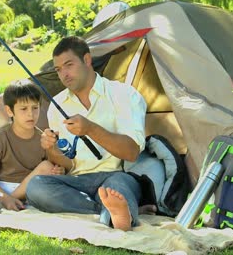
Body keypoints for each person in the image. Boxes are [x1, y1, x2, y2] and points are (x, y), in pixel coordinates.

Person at [26, 36, 152, 231]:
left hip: (117, 175)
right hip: (77, 181)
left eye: (69, 65)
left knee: (117, 188)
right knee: (36, 187)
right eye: (59, 70)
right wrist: (51, 148)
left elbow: (131, 152)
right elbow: (65, 163)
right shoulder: (56, 106)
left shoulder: (124, 95)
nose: (64, 74)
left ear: (87, 60)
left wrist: (91, 129)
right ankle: (112, 212)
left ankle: (117, 210)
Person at [0, 79, 65, 211]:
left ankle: (13, 199)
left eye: (35, 108)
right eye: (24, 109)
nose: (30, 114)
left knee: (48, 167)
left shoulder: (43, 138)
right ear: (9, 111)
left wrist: (58, 171)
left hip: (31, 188)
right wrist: (5, 197)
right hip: (1, 188)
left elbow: (50, 169)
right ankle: (9, 200)